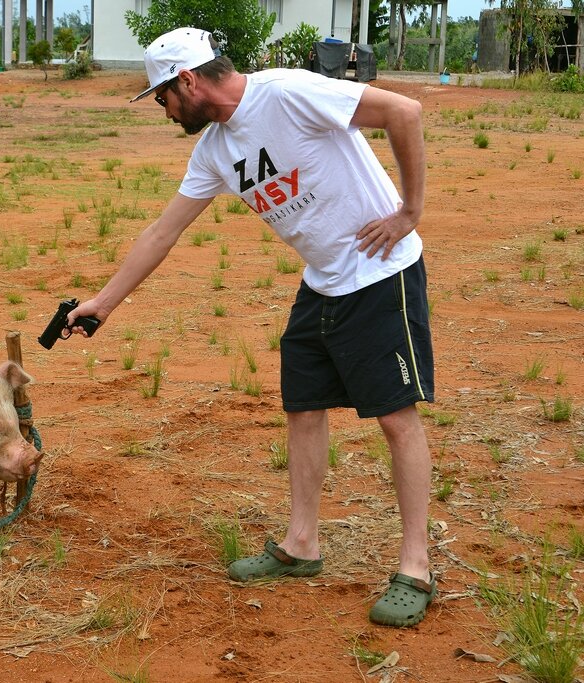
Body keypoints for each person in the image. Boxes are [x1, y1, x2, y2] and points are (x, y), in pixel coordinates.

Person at [66, 27, 436, 628]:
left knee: (395, 416)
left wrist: (410, 211)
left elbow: (404, 110)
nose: (163, 111)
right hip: (322, 282)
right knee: (304, 405)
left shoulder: (286, 93)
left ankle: (415, 565)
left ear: (187, 81)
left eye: (162, 97)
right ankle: (301, 544)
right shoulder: (213, 150)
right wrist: (103, 304)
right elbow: (164, 231)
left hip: (379, 273)